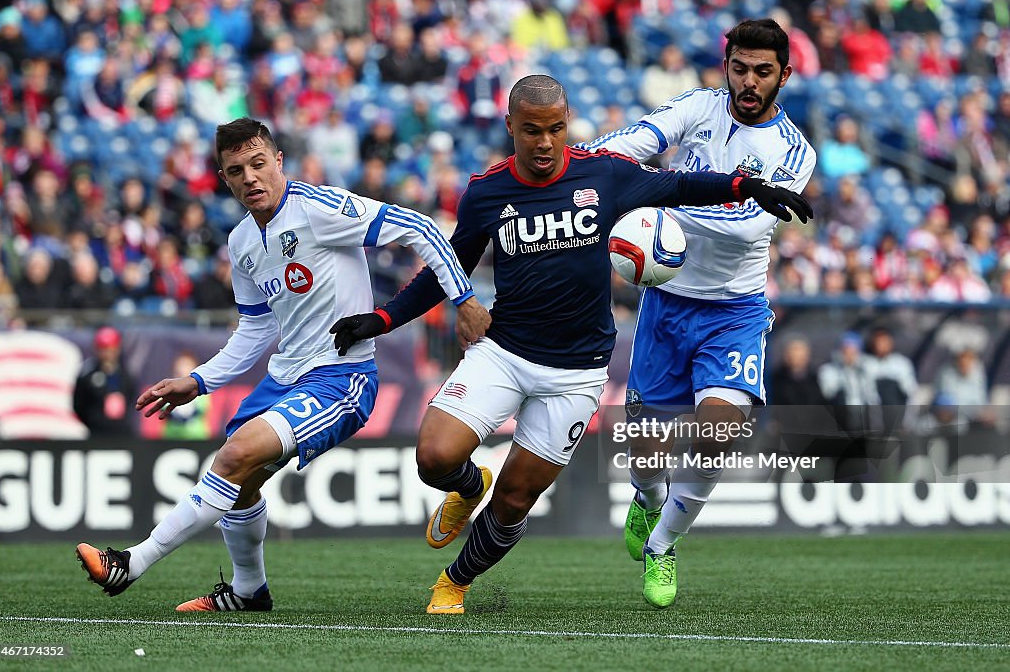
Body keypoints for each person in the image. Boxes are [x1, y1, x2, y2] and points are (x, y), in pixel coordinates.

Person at [330, 74, 812, 614]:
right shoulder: (488, 191)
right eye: (531, 130)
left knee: (515, 500)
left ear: (568, 126)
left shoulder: (604, 174)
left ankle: (454, 581)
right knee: (433, 456)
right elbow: (444, 269)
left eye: (556, 129)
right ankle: (466, 487)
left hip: (577, 373)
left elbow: (678, 186)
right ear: (510, 125)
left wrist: (747, 188)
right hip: (504, 351)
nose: (544, 143)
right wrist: (382, 317)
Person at [75, 117, 488, 611]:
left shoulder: (318, 208)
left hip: (343, 377)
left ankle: (130, 563)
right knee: (241, 480)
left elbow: (419, 227)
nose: (250, 177)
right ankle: (249, 591)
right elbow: (255, 329)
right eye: (236, 170)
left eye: (257, 164)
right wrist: (199, 380)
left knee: (232, 457)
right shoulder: (241, 242)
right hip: (283, 378)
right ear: (224, 180)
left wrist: (462, 297)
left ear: (278, 162)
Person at [579, 19, 817, 607]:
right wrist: (608, 175)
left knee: (719, 432)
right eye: (740, 68)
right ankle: (647, 498)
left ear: (784, 75)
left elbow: (749, 224)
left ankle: (662, 545)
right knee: (646, 453)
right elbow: (621, 149)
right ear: (726, 64)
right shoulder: (697, 107)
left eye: (763, 72)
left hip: (733, 311)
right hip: (665, 303)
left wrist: (657, 202)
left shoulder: (794, 152)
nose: (749, 82)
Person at [73, 326, 136, 437]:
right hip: (96, 433)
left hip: (122, 433)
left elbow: (131, 397)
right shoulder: (88, 374)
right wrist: (93, 421)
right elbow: (78, 404)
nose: (107, 354)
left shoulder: (126, 374)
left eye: (111, 349)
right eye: (103, 349)